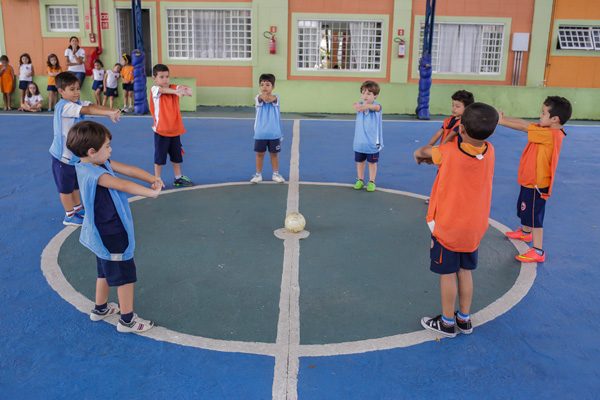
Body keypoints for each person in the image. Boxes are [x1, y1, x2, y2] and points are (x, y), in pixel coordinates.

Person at [66, 120, 161, 333]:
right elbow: (123, 184)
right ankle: (127, 320)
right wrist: (151, 192)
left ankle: (100, 308)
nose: (110, 150)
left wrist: (152, 178)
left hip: (101, 232)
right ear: (91, 151)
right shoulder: (96, 174)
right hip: (112, 231)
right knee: (124, 276)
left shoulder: (90, 163)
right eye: (107, 146)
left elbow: (127, 170)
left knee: (104, 270)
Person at [414, 102, 498, 338]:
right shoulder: (490, 151)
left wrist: (424, 154)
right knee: (465, 270)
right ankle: (464, 318)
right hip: (474, 228)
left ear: (461, 128)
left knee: (448, 273)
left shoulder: (448, 152)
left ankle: (447, 322)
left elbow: (423, 152)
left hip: (449, 227)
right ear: (491, 132)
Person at [499, 96, 572, 263]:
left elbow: (524, 127)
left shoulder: (550, 134)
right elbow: (525, 123)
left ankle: (538, 251)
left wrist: (501, 122)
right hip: (530, 180)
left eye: (543, 113)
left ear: (555, 119)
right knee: (527, 211)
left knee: (535, 218)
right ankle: (525, 233)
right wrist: (503, 118)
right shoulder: (545, 129)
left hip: (537, 184)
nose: (540, 115)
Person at [49, 72, 121, 226]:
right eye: (72, 89)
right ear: (61, 91)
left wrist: (111, 110)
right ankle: (69, 215)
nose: (76, 92)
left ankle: (78, 208)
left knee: (75, 184)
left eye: (78, 88)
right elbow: (86, 111)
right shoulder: (65, 106)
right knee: (65, 189)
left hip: (73, 157)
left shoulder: (76, 103)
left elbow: (91, 106)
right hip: (63, 157)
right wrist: (108, 113)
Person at [423, 90, 474, 203]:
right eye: (453, 105)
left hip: (455, 155)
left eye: (457, 106)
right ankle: (437, 198)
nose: (453, 108)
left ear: (467, 108)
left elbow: (451, 135)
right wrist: (429, 145)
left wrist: (439, 149)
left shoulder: (463, 122)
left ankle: (450, 199)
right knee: (441, 175)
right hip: (445, 153)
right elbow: (439, 132)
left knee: (452, 177)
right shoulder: (449, 120)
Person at [150, 63, 195, 187]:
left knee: (176, 156)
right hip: (161, 131)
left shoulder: (174, 87)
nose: (165, 79)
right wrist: (176, 92)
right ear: (154, 78)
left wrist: (187, 89)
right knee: (159, 158)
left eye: (167, 76)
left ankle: (178, 178)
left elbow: (181, 87)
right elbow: (163, 90)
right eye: (161, 77)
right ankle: (157, 180)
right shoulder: (155, 89)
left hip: (175, 130)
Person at [250, 73, 285, 184]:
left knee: (274, 154)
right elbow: (261, 98)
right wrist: (263, 97)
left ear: (273, 87)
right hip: (260, 133)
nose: (264, 87)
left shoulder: (276, 98)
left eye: (267, 85)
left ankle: (276, 174)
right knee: (259, 154)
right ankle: (258, 175)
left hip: (274, 133)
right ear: (259, 87)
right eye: (262, 85)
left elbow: (273, 99)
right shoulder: (258, 98)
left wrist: (269, 98)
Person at [352, 80, 383, 192]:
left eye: (369, 94)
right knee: (360, 162)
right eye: (363, 93)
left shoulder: (377, 106)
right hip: (359, 142)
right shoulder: (360, 105)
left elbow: (376, 108)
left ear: (375, 95)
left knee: (372, 162)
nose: (365, 96)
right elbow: (355, 105)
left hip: (372, 143)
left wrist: (366, 106)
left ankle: (371, 181)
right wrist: (357, 106)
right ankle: (360, 179)